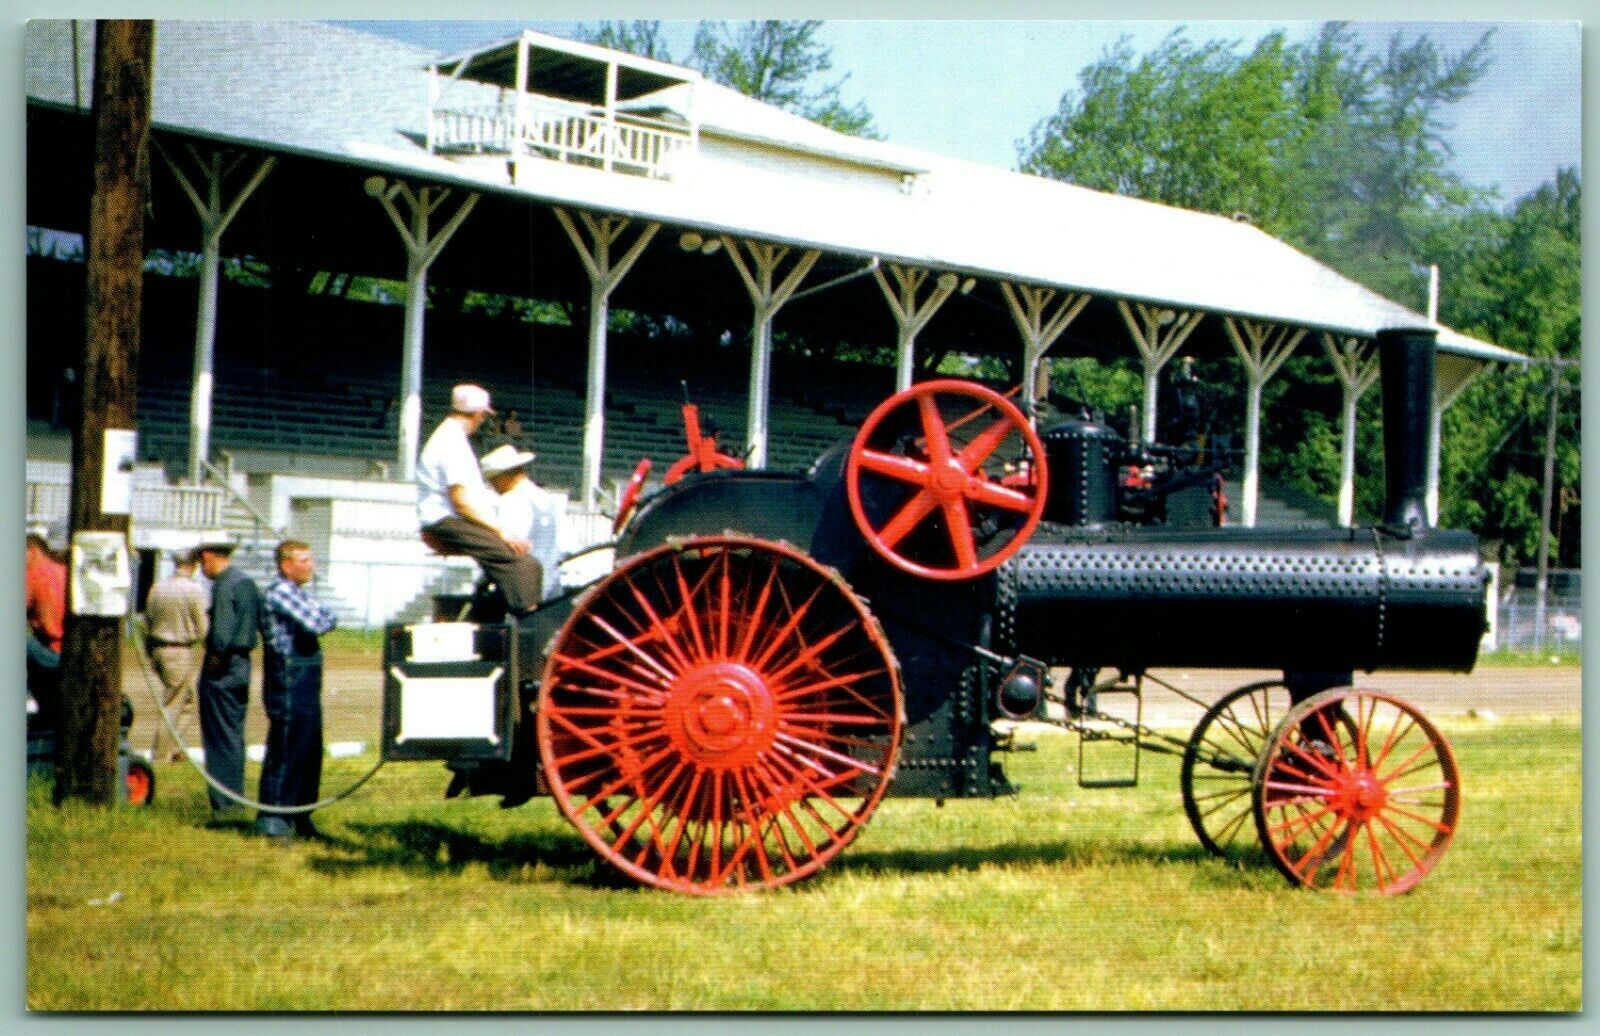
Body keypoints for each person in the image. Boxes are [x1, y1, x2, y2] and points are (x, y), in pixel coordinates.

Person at [416, 384, 543, 617]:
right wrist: (502, 532)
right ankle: (527, 625)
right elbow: (460, 502)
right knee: (523, 563)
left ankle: (500, 619)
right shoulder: (451, 444)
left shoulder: (450, 438)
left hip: (449, 518)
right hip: (448, 520)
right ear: (477, 414)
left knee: (507, 567)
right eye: (484, 415)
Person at [256, 540, 336, 840]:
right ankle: (274, 817)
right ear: (285, 565)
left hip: (306, 681)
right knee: (287, 747)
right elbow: (318, 622)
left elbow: (329, 617)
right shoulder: (280, 593)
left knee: (309, 748)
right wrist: (322, 619)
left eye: (311, 559)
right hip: (288, 680)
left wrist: (324, 618)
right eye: (303, 560)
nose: (310, 565)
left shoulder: (299, 593)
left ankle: (301, 815)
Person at [196, 538, 263, 818]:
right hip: (242, 665)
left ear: (209, 556)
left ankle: (224, 804)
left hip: (223, 667)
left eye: (202, 563)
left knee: (219, 736)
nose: (202, 569)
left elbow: (221, 635)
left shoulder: (223, 585)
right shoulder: (246, 582)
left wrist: (211, 667)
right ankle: (234, 797)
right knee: (233, 734)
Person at [145, 549, 209, 762]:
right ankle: (162, 755)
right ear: (194, 565)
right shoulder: (193, 590)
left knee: (188, 700)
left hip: (159, 647)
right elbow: (202, 626)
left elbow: (148, 619)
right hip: (180, 648)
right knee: (174, 703)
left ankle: (174, 747)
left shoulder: (158, 587)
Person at [480, 442, 562, 601]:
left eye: (493, 481)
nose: (494, 487)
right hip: (551, 584)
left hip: (524, 589)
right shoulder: (546, 497)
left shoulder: (512, 500)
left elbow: (507, 547)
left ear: (503, 476)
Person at [24, 531, 66, 724]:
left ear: (32, 551)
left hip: (51, 652)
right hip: (71, 652)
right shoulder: (64, 570)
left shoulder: (32, 574)